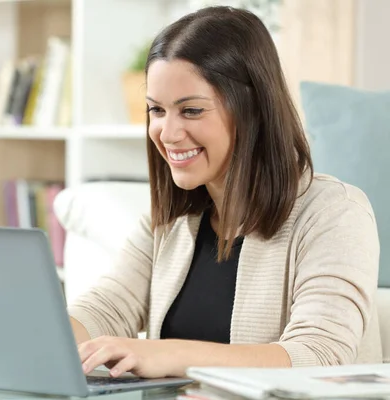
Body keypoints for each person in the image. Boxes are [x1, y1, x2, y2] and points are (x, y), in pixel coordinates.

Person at [67, 6, 382, 379]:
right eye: (156, 110)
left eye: (192, 111)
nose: (166, 134)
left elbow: (320, 355)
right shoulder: (170, 220)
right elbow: (107, 308)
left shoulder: (335, 213)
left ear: (252, 110)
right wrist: (42, 336)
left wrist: (168, 355)